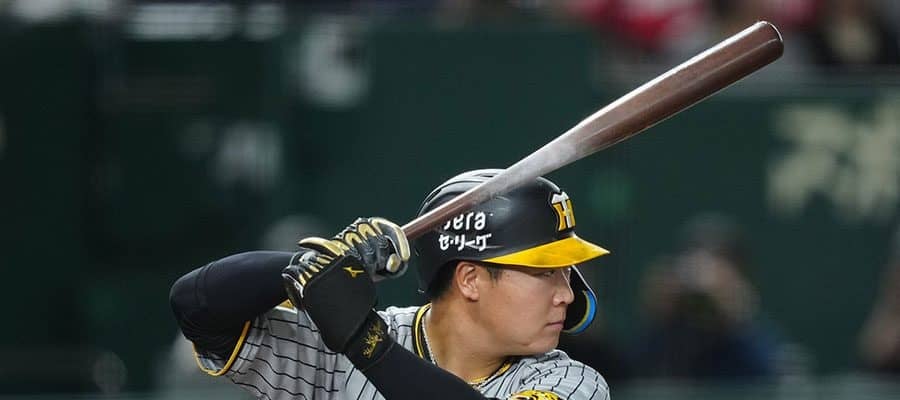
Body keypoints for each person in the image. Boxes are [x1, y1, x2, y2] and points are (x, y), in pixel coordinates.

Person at [169, 169, 611, 400]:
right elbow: (196, 306)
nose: (567, 294)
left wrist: (367, 345)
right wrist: (315, 266)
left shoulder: (573, 382)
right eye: (545, 272)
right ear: (471, 279)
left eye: (565, 272)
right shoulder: (337, 352)